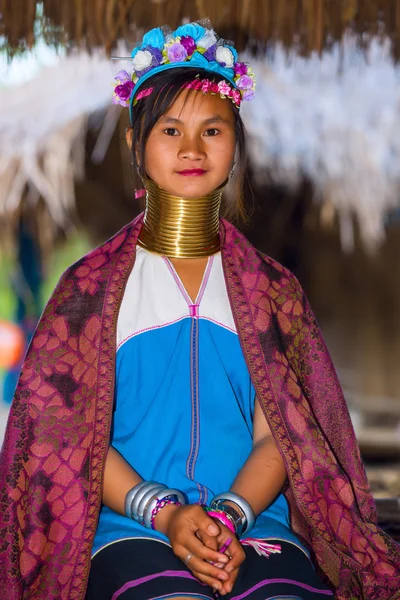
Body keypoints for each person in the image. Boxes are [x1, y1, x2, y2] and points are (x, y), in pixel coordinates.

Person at [0, 21, 399, 600]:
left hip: (252, 522)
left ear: (235, 144)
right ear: (138, 147)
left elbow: (281, 437)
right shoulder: (88, 292)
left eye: (213, 129)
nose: (192, 148)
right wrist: (165, 514)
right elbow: (68, 435)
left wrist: (230, 517)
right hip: (126, 525)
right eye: (170, 130)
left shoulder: (271, 291)